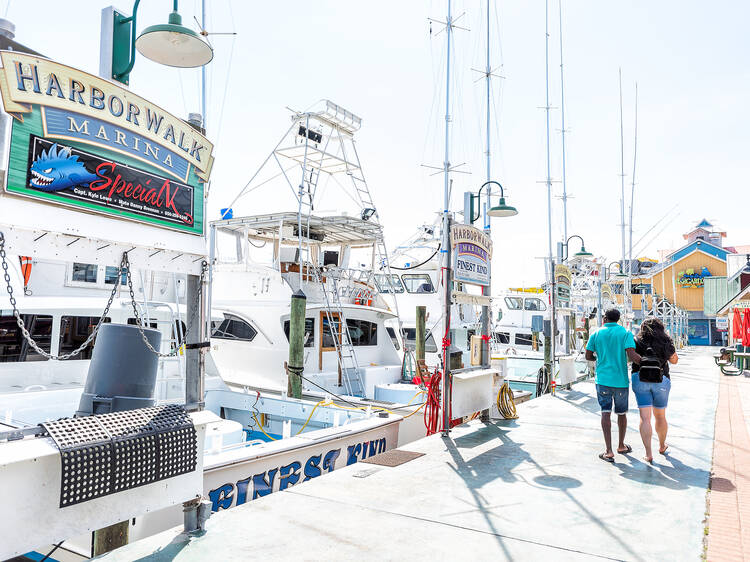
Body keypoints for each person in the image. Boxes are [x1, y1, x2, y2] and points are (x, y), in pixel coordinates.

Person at [585, 308, 642, 462]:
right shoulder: (625, 333)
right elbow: (632, 355)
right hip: (620, 380)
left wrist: (602, 357)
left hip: (603, 379)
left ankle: (608, 451)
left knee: (605, 412)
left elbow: (588, 355)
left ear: (604, 318)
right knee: (622, 414)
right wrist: (647, 362)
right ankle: (621, 445)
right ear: (618, 319)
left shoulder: (596, 333)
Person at [630, 318, 678, 463]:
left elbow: (630, 357)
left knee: (645, 418)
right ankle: (662, 445)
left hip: (640, 378)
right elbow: (674, 360)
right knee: (660, 416)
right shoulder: (666, 340)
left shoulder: (636, 340)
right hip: (661, 380)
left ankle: (648, 453)